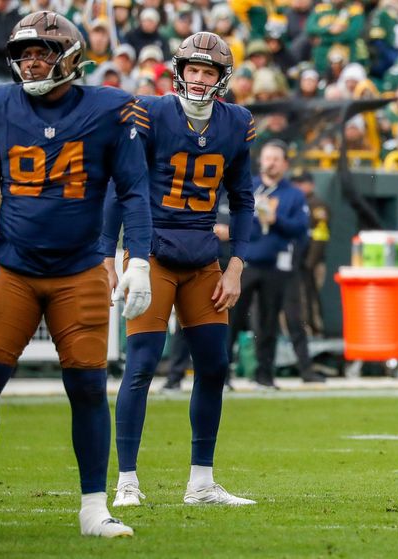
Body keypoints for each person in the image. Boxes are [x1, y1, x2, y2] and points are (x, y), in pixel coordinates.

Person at [0, 11, 153, 537]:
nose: (30, 62)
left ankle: (93, 509)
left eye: (41, 52)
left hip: (81, 270)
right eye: (23, 54)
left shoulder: (111, 108)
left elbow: (133, 188)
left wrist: (141, 259)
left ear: (69, 57)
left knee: (87, 387)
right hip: (13, 267)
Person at [102, 32, 256, 508]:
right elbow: (121, 184)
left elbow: (244, 199)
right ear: (179, 71)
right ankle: (127, 481)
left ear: (221, 78)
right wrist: (111, 252)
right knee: (142, 366)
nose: (199, 78)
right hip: (151, 256)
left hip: (202, 258)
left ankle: (202, 484)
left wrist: (234, 267)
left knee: (214, 367)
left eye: (209, 71)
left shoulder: (237, 123)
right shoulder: (150, 112)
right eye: (193, 69)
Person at [228, 141, 318, 389]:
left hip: (275, 265)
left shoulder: (293, 194)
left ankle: (264, 374)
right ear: (261, 161)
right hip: (244, 263)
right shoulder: (249, 187)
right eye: (268, 158)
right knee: (232, 319)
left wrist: (275, 219)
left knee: (268, 323)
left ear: (285, 164)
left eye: (276, 159)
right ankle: (222, 375)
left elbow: (300, 228)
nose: (271, 163)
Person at [292, 171, 330, 337]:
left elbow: (321, 235)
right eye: (296, 183)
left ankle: (315, 329)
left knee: (311, 295)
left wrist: (310, 261)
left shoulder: (317, 205)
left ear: (311, 185)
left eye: (302, 183)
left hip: (313, 261)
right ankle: (300, 330)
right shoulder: (295, 202)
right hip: (296, 260)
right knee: (298, 296)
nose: (299, 187)